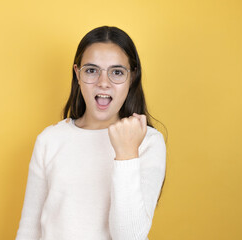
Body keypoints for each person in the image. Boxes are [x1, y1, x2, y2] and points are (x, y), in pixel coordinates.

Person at [15, 26, 167, 240]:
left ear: (132, 77)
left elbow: (129, 236)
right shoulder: (49, 140)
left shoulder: (148, 142)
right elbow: (29, 230)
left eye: (117, 72)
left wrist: (126, 154)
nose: (103, 83)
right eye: (92, 70)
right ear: (77, 74)